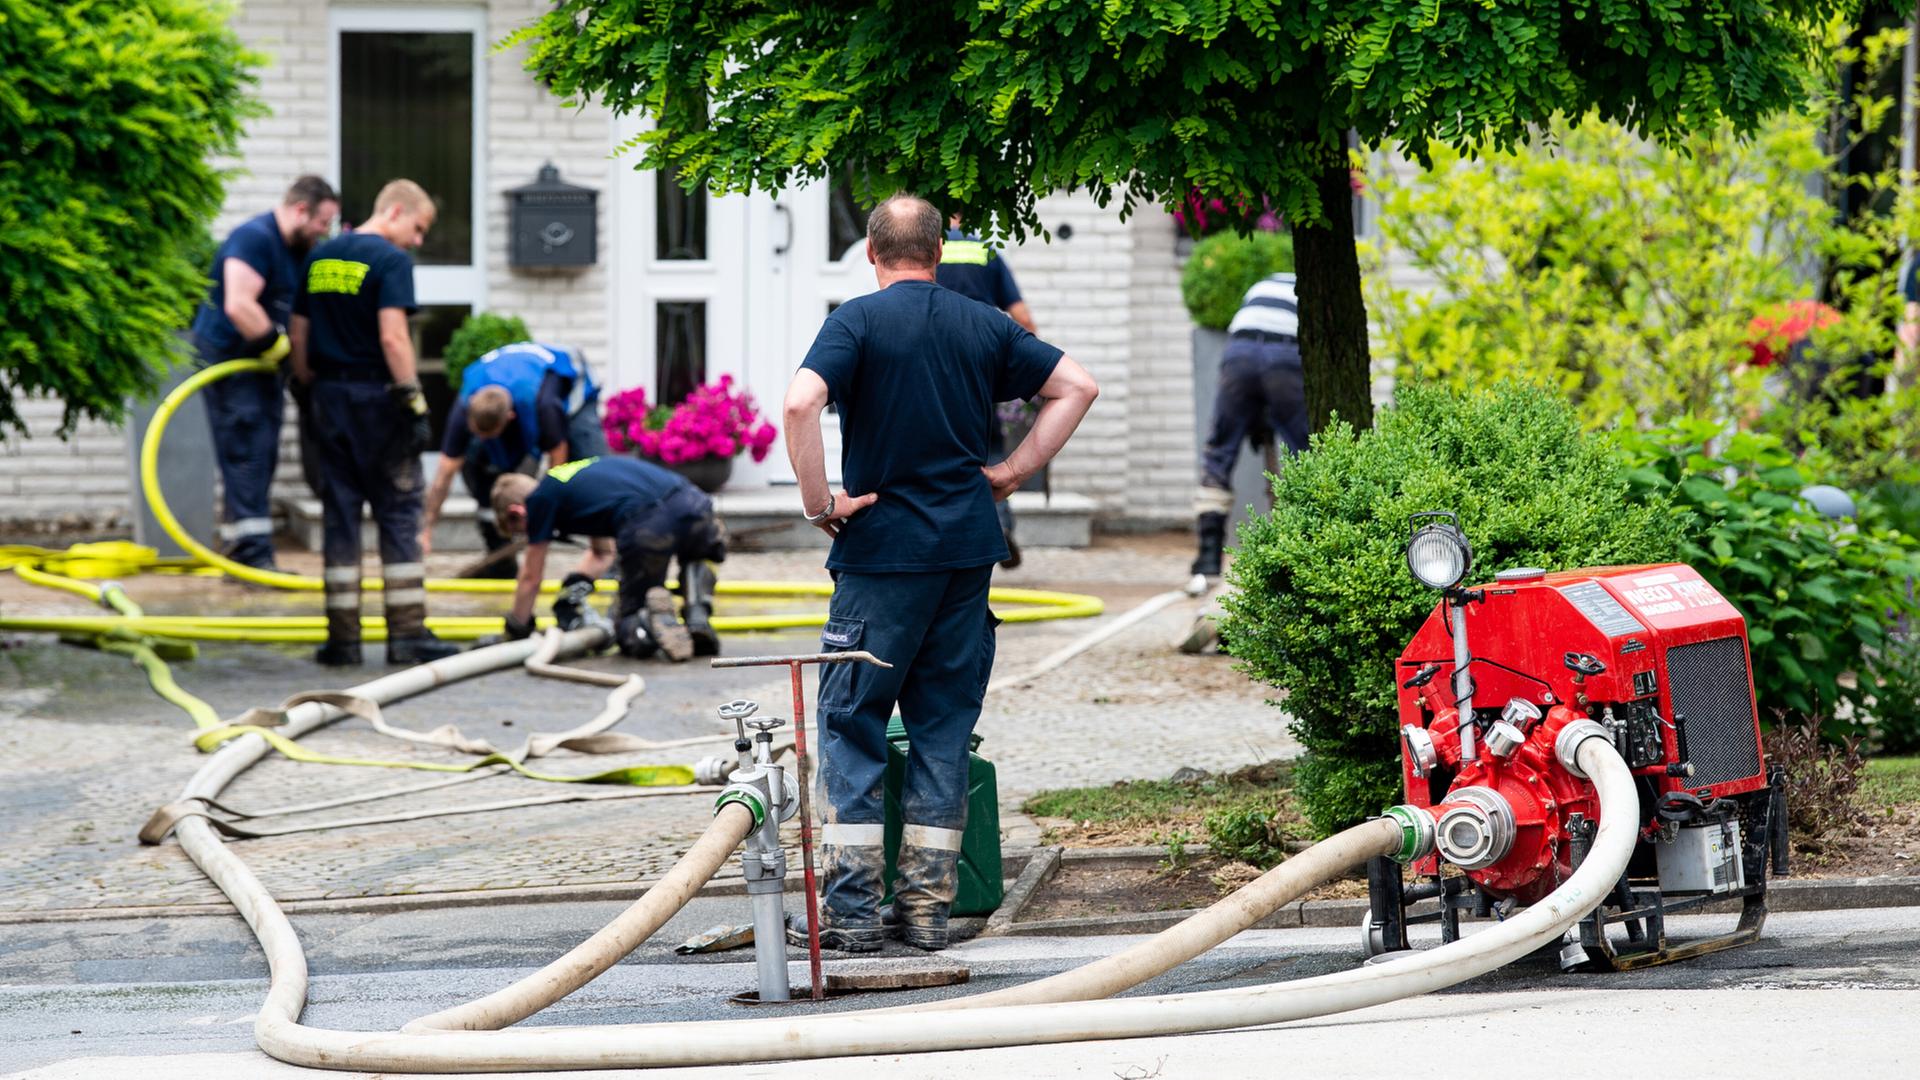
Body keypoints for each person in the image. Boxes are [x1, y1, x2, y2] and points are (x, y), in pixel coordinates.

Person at [782, 194, 1099, 952]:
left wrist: (819, 502)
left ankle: (853, 915)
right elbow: (1076, 387)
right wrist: (1012, 472)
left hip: (880, 554)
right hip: (964, 554)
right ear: (941, 247)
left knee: (853, 723)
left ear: (870, 251)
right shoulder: (984, 323)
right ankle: (926, 911)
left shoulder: (855, 321)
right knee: (943, 728)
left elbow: (799, 403)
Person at [289, 179, 456, 667]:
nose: (418, 241)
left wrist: (308, 387)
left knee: (340, 516)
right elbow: (394, 338)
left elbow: (298, 334)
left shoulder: (319, 259)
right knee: (399, 511)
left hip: (328, 398)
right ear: (396, 211)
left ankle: (342, 640)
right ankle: (406, 635)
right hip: (377, 400)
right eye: (419, 228)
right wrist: (414, 401)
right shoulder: (390, 261)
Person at [187, 176, 340, 570]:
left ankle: (245, 551)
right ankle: (252, 559)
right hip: (231, 361)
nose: (324, 231)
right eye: (323, 222)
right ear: (301, 209)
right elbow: (240, 306)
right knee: (247, 452)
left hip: (261, 364)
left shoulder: (299, 248)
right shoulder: (254, 238)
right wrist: (282, 350)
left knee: (262, 452)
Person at [488, 457, 725, 660]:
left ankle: (647, 623)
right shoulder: (570, 477)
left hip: (648, 524)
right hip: (693, 503)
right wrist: (574, 586)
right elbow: (602, 553)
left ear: (516, 512)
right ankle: (697, 618)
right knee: (700, 557)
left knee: (626, 623)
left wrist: (517, 628)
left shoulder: (539, 500)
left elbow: (530, 577)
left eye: (521, 530)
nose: (528, 535)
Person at [419, 341, 607, 575]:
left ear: (510, 417)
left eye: (488, 434)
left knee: (591, 466)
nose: (482, 437)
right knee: (478, 462)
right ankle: (501, 559)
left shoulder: (544, 404)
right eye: (477, 432)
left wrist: (546, 515)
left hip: (574, 388)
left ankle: (608, 555)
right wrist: (425, 532)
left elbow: (558, 463)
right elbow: (443, 475)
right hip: (513, 382)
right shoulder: (466, 406)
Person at [1190, 271, 1309, 579]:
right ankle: (1303, 551)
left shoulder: (1262, 285)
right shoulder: (1310, 287)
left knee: (1220, 450)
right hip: (1286, 352)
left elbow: (1252, 351)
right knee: (1305, 453)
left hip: (1239, 354)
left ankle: (1207, 560)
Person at [935, 215, 1036, 568]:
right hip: (980, 365)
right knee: (989, 449)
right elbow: (1021, 316)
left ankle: (946, 534)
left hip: (933, 363)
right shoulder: (985, 250)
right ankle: (1001, 525)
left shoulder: (929, 249)